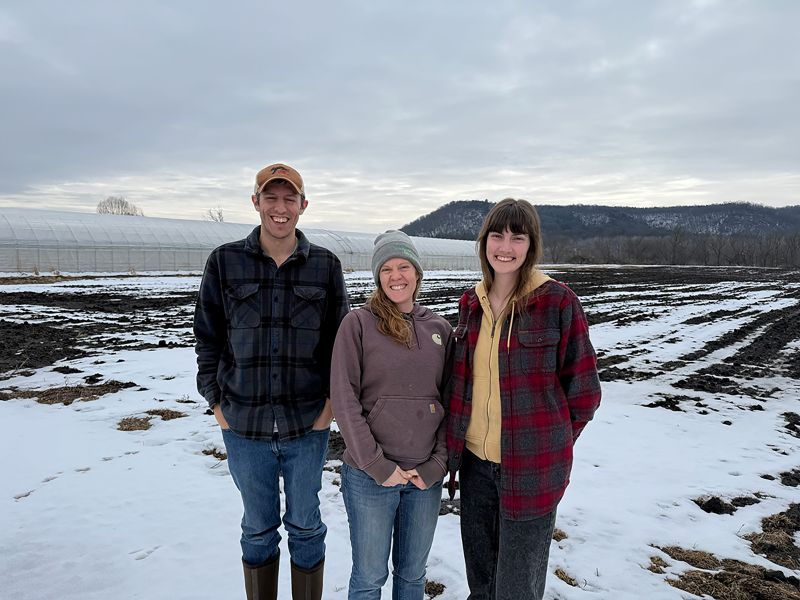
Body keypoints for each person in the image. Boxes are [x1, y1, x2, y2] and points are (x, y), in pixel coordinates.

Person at [194, 162, 349, 600]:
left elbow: (341, 346)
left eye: (289, 198)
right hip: (244, 426)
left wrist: (329, 411)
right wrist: (217, 405)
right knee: (258, 529)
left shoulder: (324, 265)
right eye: (271, 197)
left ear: (303, 205)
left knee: (305, 526)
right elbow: (207, 337)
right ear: (256, 202)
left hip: (307, 427)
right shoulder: (224, 262)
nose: (280, 208)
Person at [446, 198, 601, 600]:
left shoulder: (557, 302)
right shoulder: (470, 303)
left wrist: (549, 444)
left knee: (517, 589)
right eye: (497, 235)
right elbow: (460, 384)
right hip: (476, 468)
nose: (506, 245)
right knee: (481, 582)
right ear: (484, 242)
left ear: (531, 245)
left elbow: (583, 392)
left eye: (518, 237)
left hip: (531, 469)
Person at [331, 230, 452, 599]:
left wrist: (437, 465)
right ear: (377, 276)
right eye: (386, 269)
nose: (395, 275)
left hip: (422, 479)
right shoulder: (358, 324)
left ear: (417, 274)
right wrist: (377, 466)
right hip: (371, 476)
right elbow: (344, 398)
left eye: (403, 266)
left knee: (413, 575)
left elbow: (453, 404)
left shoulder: (440, 329)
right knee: (369, 578)